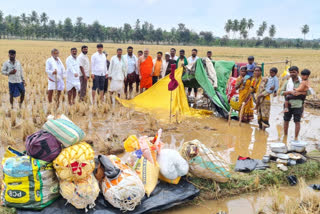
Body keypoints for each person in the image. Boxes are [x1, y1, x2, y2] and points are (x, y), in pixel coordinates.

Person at [281, 66, 310, 140]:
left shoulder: (302, 82)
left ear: (298, 72)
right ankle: (285, 136)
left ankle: (296, 138)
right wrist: (290, 92)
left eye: (294, 72)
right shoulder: (287, 82)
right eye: (290, 72)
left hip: (298, 105)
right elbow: (281, 92)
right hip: (288, 104)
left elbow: (308, 92)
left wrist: (299, 93)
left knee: (297, 122)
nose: (292, 74)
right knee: (286, 121)